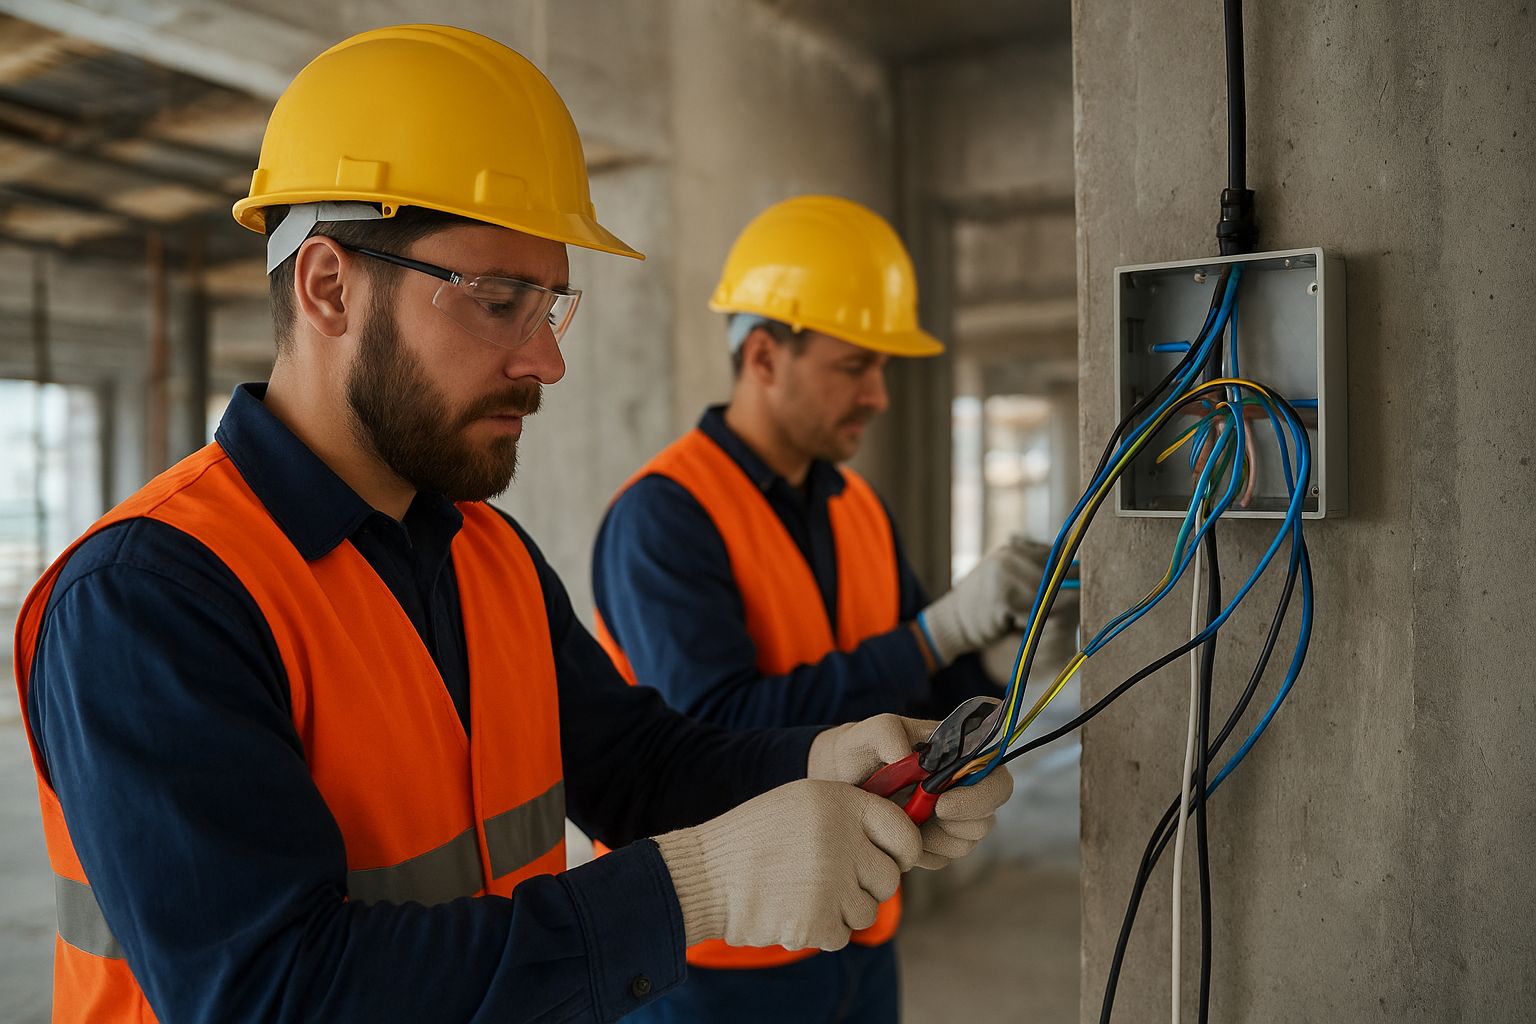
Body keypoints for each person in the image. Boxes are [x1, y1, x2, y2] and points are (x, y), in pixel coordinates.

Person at [11, 26, 1012, 1024]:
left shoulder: (486, 554)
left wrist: (817, 762)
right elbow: (275, 991)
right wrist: (693, 888)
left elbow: (636, 766)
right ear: (327, 286)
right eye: (498, 301)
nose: (546, 362)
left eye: (550, 306)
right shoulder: (150, 595)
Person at [592, 195, 1045, 1022]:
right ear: (763, 355)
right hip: (719, 959)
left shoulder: (858, 507)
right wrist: (936, 629)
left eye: (883, 369)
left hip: (861, 933)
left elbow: (924, 690)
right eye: (854, 366)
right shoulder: (664, 516)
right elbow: (710, 736)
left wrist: (1011, 660)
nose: (878, 395)